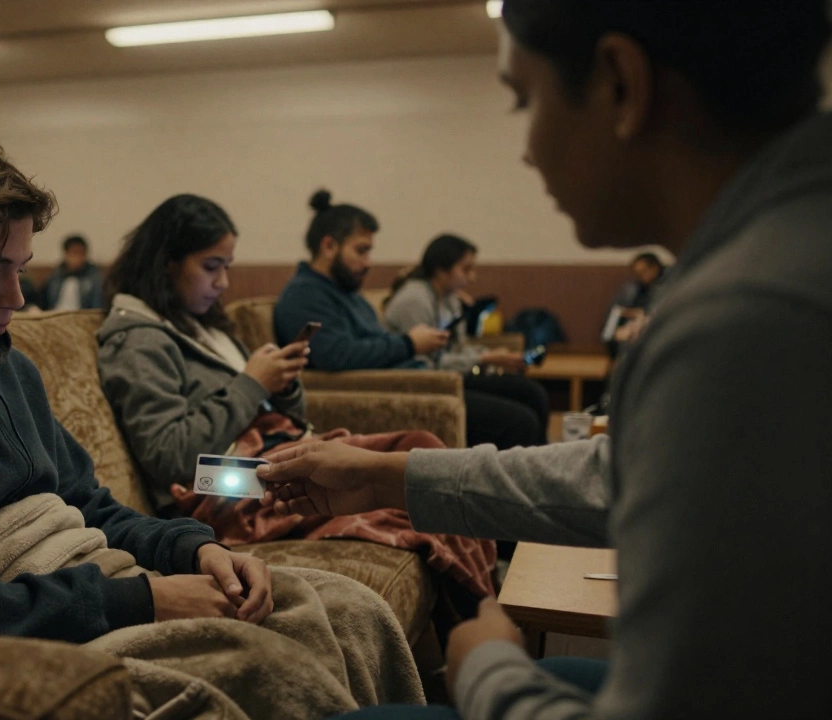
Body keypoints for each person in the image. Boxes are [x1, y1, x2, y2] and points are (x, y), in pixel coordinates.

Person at [258, 1, 832, 718]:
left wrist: (492, 672)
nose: (527, 148)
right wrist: (384, 476)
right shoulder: (782, 255)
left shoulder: (746, 322)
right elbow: (617, 474)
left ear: (622, 84)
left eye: (526, 100)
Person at [0, 133, 413, 716]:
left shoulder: (182, 334)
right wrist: (250, 403)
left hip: (191, 505)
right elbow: (175, 460)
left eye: (20, 269)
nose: (16, 299)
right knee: (295, 573)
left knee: (359, 578)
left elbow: (91, 502)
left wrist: (197, 543)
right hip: (208, 491)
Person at [97, 193, 497, 598]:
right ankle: (481, 615)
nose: (223, 283)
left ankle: (484, 609)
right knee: (408, 496)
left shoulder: (202, 323)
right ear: (167, 262)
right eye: (211, 267)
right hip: (223, 486)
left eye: (227, 267)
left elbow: (279, 412)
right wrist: (252, 383)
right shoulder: (138, 340)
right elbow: (168, 455)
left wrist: (281, 386)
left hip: (271, 456)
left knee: (421, 448)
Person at [384, 233, 550, 448]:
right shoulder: (414, 301)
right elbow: (429, 364)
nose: (471, 277)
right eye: (465, 269)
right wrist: (485, 358)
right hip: (426, 382)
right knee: (522, 420)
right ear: (441, 270)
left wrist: (493, 356)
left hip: (450, 374)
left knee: (532, 393)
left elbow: (459, 347)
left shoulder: (450, 297)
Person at [273, 190, 449, 371]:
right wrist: (409, 344)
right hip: (378, 391)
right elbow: (335, 356)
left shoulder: (348, 294)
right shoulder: (304, 295)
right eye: (361, 251)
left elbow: (375, 341)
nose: (368, 263)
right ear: (329, 246)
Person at [600, 252, 665, 353]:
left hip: (652, 329)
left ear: (655, 268)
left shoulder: (669, 288)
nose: (641, 276)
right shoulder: (630, 289)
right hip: (629, 327)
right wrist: (613, 331)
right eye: (638, 273)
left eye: (644, 272)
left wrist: (642, 318)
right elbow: (615, 310)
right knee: (611, 333)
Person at [40, 234, 104, 310]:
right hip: (56, 315)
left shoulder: (94, 278)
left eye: (81, 253)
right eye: (74, 253)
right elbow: (43, 301)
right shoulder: (56, 276)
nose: (77, 258)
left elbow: (96, 306)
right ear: (66, 254)